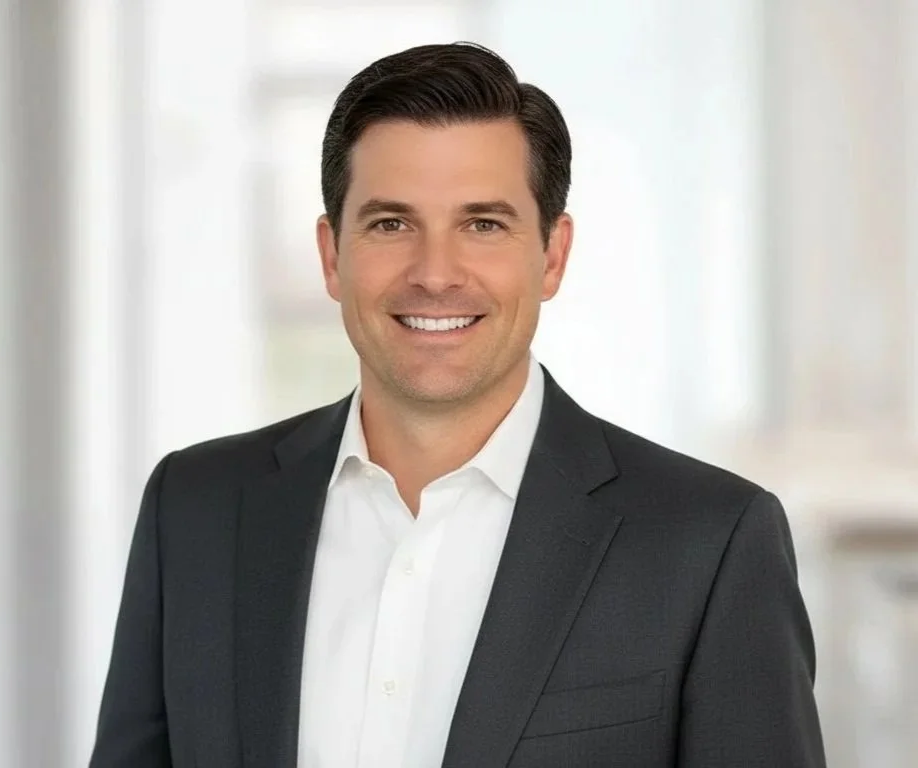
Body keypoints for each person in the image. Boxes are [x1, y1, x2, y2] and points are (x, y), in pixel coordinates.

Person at [90, 42, 827, 768]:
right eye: (390, 223)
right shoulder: (194, 509)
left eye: (483, 224)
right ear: (330, 255)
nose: (435, 273)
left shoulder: (709, 542)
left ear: (551, 256)